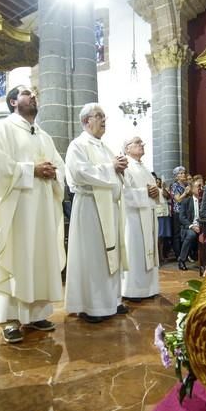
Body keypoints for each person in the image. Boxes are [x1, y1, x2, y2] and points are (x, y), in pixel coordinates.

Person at [0, 86, 65, 343]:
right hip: (16, 209)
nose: (34, 96)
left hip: (42, 208)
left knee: (39, 256)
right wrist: (32, 170)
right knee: (16, 257)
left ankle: (37, 313)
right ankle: (9, 319)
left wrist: (53, 174)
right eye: (27, 93)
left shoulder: (43, 135)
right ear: (13, 101)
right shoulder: (2, 129)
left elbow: (60, 166)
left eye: (34, 93)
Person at [65, 103, 129, 323]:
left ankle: (112, 300)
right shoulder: (77, 145)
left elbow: (117, 174)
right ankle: (92, 306)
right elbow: (79, 173)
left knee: (110, 256)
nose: (103, 120)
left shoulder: (105, 147)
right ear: (86, 121)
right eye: (99, 116)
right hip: (90, 206)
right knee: (93, 256)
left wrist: (120, 169)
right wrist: (112, 167)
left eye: (104, 116)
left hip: (109, 208)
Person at [121, 136, 160, 301]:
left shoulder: (144, 168)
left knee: (149, 251)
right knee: (135, 253)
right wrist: (146, 193)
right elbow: (123, 192)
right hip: (133, 218)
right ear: (127, 148)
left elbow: (155, 190)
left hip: (148, 215)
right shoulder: (126, 167)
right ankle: (133, 290)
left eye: (142, 142)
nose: (142, 145)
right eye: (137, 142)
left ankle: (149, 288)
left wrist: (156, 192)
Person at [178, 176, 204, 271]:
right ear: (192, 189)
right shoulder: (186, 201)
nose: (200, 188)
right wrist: (192, 226)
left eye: (202, 186)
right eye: (198, 186)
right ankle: (182, 260)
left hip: (203, 226)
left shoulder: (205, 200)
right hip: (189, 227)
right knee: (191, 235)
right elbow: (182, 217)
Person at [170, 166, 190, 260]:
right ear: (176, 176)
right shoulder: (175, 185)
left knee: (186, 233)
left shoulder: (185, 185)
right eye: (180, 173)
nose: (183, 175)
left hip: (186, 211)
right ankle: (178, 254)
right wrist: (185, 193)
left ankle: (185, 253)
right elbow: (177, 199)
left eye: (184, 173)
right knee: (177, 234)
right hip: (178, 211)